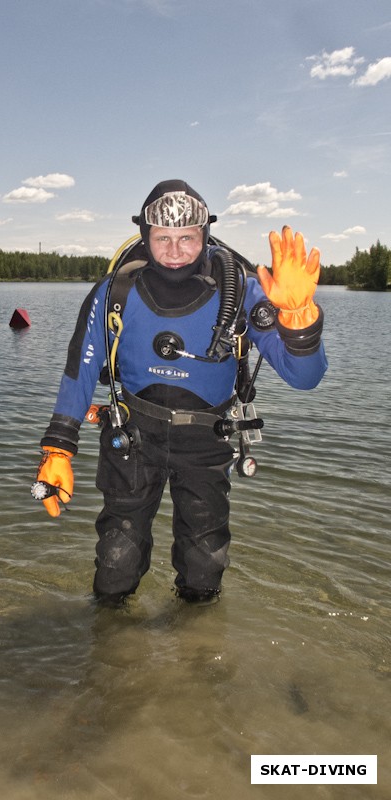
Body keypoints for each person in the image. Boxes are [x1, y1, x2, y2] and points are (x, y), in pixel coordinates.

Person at [34, 179, 327, 605]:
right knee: (116, 561)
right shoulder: (115, 292)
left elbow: (305, 378)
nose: (174, 250)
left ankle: (196, 653)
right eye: (163, 238)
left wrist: (299, 318)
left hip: (206, 443)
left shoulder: (242, 291)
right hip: (132, 439)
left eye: (187, 238)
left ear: (204, 235)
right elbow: (79, 371)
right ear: (144, 236)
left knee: (204, 567)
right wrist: (57, 451)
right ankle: (109, 649)